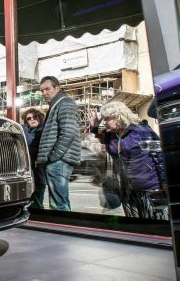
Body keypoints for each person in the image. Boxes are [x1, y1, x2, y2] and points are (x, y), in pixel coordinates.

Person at [88, 102, 168, 220]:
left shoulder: (141, 131)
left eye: (107, 118)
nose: (104, 122)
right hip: (127, 190)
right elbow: (97, 141)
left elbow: (159, 156)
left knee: (157, 226)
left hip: (149, 189)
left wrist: (164, 182)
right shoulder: (111, 135)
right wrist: (94, 127)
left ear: (118, 117)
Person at [37, 76, 81, 211]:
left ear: (57, 88)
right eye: (42, 91)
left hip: (59, 161)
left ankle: (64, 229)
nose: (44, 93)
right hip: (57, 160)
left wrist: (53, 156)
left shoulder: (65, 102)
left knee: (59, 204)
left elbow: (69, 132)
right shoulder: (56, 104)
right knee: (58, 202)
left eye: (47, 89)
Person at [21, 108, 46, 209]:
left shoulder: (44, 130)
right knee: (32, 203)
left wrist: (24, 131)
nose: (32, 119)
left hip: (40, 173)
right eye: (28, 118)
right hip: (29, 173)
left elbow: (32, 145)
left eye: (35, 116)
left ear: (39, 117)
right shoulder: (27, 131)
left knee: (37, 202)